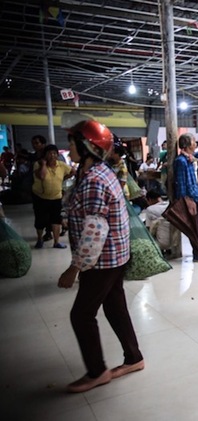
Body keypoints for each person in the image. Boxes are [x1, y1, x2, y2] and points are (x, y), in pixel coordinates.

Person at [57, 120, 144, 393]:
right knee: (115, 307)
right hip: (113, 256)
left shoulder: (95, 179)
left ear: (88, 148)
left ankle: (97, 372)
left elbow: (95, 231)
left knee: (81, 315)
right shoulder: (95, 172)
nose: (68, 148)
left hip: (103, 260)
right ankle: (134, 358)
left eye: (72, 143)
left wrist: (73, 268)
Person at [173, 133, 198, 263]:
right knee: (193, 226)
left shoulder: (189, 159)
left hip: (194, 196)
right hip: (188, 199)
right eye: (194, 141)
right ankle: (196, 254)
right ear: (187, 145)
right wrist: (186, 201)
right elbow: (180, 183)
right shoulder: (180, 161)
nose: (196, 144)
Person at [32, 144, 74, 249]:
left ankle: (56, 242)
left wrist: (63, 179)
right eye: (49, 153)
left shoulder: (61, 165)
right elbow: (41, 176)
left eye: (54, 153)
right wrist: (44, 164)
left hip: (56, 197)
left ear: (57, 154)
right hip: (40, 197)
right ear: (45, 155)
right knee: (40, 220)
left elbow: (73, 171)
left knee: (56, 220)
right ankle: (40, 239)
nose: (52, 155)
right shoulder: (38, 164)